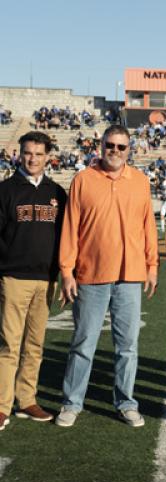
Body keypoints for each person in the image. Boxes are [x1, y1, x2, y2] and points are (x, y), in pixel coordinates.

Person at [56, 124, 158, 428]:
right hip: (91, 274)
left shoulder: (140, 182)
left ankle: (126, 402)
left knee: (127, 346)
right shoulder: (83, 180)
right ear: (100, 146)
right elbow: (70, 227)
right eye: (109, 145)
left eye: (120, 147)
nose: (114, 151)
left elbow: (148, 226)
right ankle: (71, 402)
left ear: (130, 150)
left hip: (129, 276)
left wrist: (152, 266)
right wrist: (66, 270)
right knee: (83, 343)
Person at [0, 131, 67, 431]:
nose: (32, 159)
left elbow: (66, 238)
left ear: (48, 156)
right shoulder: (5, 190)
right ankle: (2, 405)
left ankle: (26, 400)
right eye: (28, 153)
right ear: (19, 153)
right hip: (13, 278)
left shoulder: (57, 192)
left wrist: (65, 274)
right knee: (8, 345)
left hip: (46, 280)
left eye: (39, 154)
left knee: (35, 345)